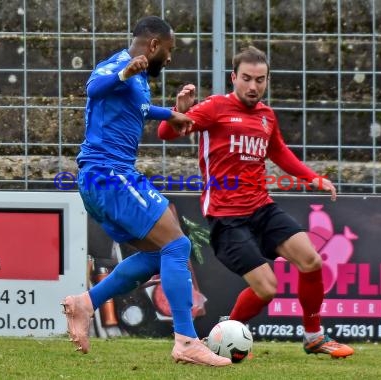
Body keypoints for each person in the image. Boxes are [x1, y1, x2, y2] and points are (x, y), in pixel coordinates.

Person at [158, 46, 354, 358]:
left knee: (311, 261)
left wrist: (313, 178)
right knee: (267, 288)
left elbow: (279, 152)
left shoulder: (266, 116)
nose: (253, 86)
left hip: (262, 208)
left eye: (260, 80)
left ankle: (314, 336)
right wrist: (177, 111)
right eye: (246, 78)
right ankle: (224, 336)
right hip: (226, 217)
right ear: (233, 78)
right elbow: (166, 132)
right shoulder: (213, 108)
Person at [61, 16, 231, 366]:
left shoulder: (136, 80)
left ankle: (85, 303)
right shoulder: (120, 66)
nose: (169, 59)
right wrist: (124, 73)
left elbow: (135, 108)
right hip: (110, 175)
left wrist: (171, 114)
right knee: (178, 243)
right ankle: (185, 339)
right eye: (168, 51)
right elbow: (94, 88)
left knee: (160, 254)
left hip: (101, 179)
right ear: (153, 45)